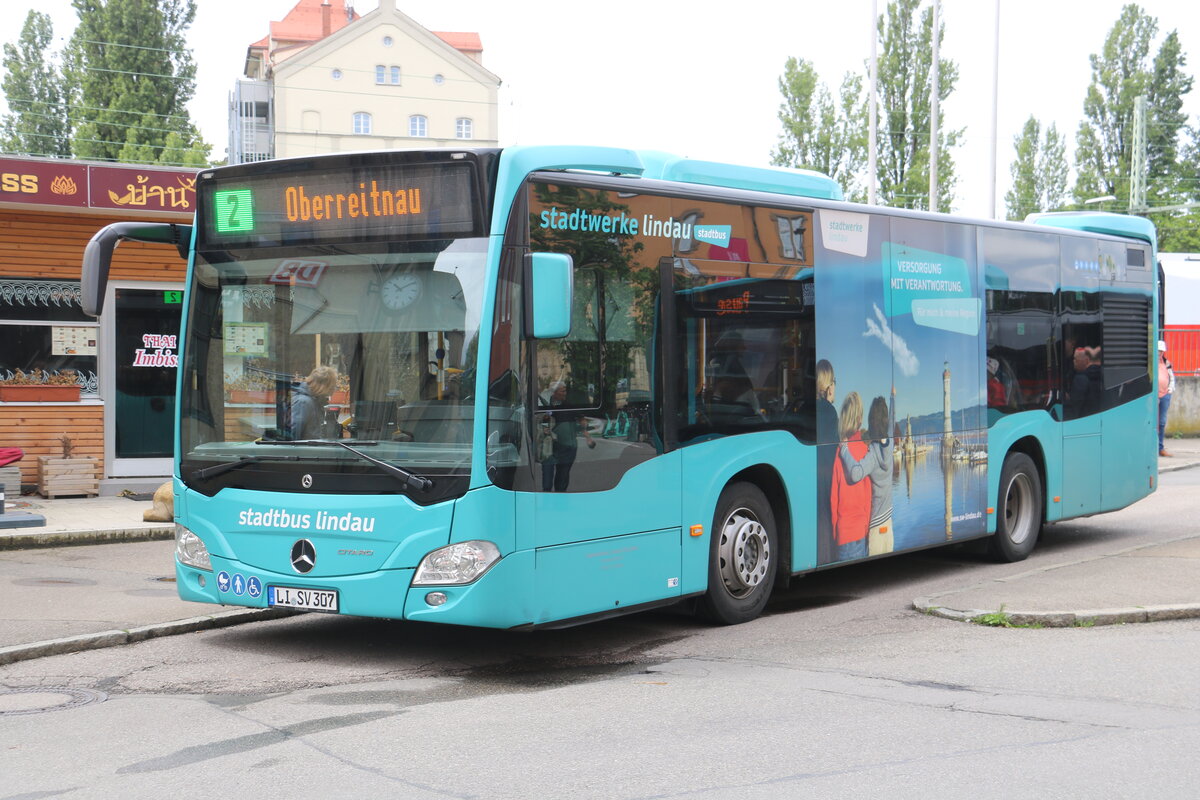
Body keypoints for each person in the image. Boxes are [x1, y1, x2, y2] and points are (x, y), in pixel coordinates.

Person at [837, 388, 896, 556]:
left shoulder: (872, 454)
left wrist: (845, 449)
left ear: (871, 421)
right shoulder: (890, 445)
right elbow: (891, 423)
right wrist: (892, 398)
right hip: (889, 522)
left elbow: (856, 473)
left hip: (876, 526)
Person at [830, 391, 871, 561]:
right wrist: (866, 529)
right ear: (860, 419)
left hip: (843, 534)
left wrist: (835, 533)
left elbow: (833, 499)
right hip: (860, 532)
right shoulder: (865, 451)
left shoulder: (840, 451)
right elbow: (868, 499)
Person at [538, 380, 595, 491]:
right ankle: (546, 500)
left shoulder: (569, 404)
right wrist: (544, 428)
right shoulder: (545, 404)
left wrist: (588, 437)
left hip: (567, 448)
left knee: (562, 480)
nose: (565, 393)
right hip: (549, 447)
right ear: (554, 392)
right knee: (547, 483)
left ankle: (560, 501)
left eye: (565, 391)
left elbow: (581, 419)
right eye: (562, 391)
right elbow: (543, 418)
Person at [814, 360, 838, 565]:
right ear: (829, 384)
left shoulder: (806, 409)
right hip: (825, 479)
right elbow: (833, 452)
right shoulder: (829, 412)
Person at [290, 365, 338, 440]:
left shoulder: (316, 401)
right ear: (323, 386)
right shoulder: (304, 403)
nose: (334, 389)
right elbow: (292, 437)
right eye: (332, 387)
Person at [1158, 340, 1175, 457]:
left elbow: (1172, 377)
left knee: (1162, 422)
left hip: (1165, 395)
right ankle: (1152, 448)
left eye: (1161, 351)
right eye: (1158, 351)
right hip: (1153, 396)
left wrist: (1170, 389)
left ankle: (1160, 448)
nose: (1159, 353)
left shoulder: (1167, 363)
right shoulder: (1150, 362)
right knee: (1152, 423)